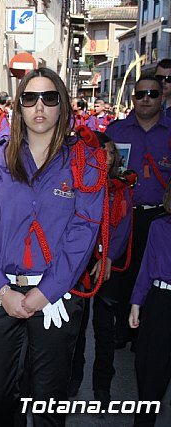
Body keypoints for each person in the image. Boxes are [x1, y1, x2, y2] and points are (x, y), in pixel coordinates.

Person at [0, 67, 105, 427]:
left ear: (62, 105)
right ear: (19, 106)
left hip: (57, 296)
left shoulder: (85, 161)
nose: (39, 106)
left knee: (48, 401)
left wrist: (46, 292)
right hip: (2, 294)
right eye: (30, 98)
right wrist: (2, 291)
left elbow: (84, 232)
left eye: (49, 97)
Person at [105, 75, 171, 350]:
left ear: (162, 97)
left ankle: (144, 332)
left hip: (159, 217)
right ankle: (122, 328)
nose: (146, 99)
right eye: (141, 93)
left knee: (154, 275)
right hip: (122, 214)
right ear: (133, 98)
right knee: (121, 274)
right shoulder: (116, 131)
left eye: (153, 94)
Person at [68, 132, 133, 408]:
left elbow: (123, 227)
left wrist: (107, 258)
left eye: (110, 152)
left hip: (108, 264)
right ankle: (72, 380)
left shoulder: (121, 188)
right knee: (76, 326)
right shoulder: (77, 184)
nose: (105, 157)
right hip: (80, 263)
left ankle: (102, 386)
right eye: (100, 152)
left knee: (104, 328)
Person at [128, 179, 171, 427]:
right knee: (147, 369)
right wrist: (136, 303)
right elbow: (147, 267)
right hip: (160, 300)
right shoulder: (159, 226)